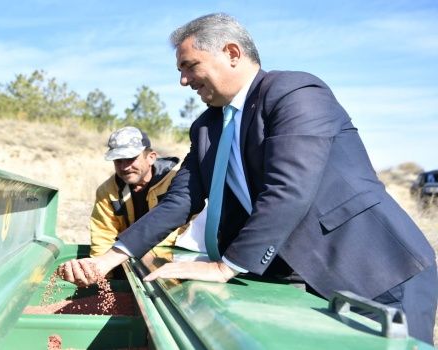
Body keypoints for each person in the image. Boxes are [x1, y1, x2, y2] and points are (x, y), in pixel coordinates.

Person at [59, 13, 437, 344]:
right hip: (296, 283)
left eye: (190, 66)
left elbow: (289, 190)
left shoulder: (295, 93)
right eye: (180, 71)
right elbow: (180, 201)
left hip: (376, 274)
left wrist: (225, 267)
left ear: (232, 53)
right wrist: (108, 260)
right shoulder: (207, 127)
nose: (184, 81)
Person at [89, 126, 185, 257]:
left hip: (173, 258)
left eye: (131, 159)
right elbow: (103, 235)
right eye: (118, 161)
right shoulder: (107, 191)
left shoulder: (177, 182)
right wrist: (99, 271)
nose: (125, 167)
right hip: (126, 258)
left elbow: (187, 228)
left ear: (151, 157)